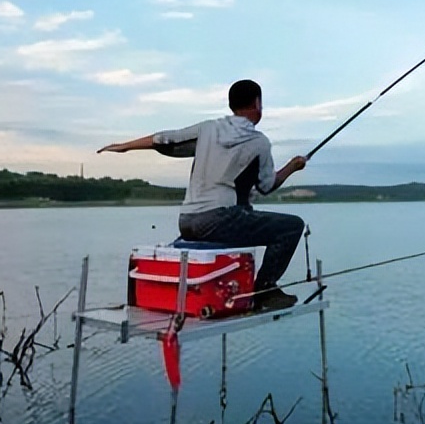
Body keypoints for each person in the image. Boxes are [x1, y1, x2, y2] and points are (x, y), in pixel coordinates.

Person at [99, 79, 307, 310]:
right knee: (291, 226)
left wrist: (125, 146)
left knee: (244, 210)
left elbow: (166, 139)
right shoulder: (259, 142)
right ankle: (265, 290)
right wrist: (292, 167)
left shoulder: (208, 128)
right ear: (257, 103)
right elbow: (266, 186)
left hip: (188, 222)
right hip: (219, 220)